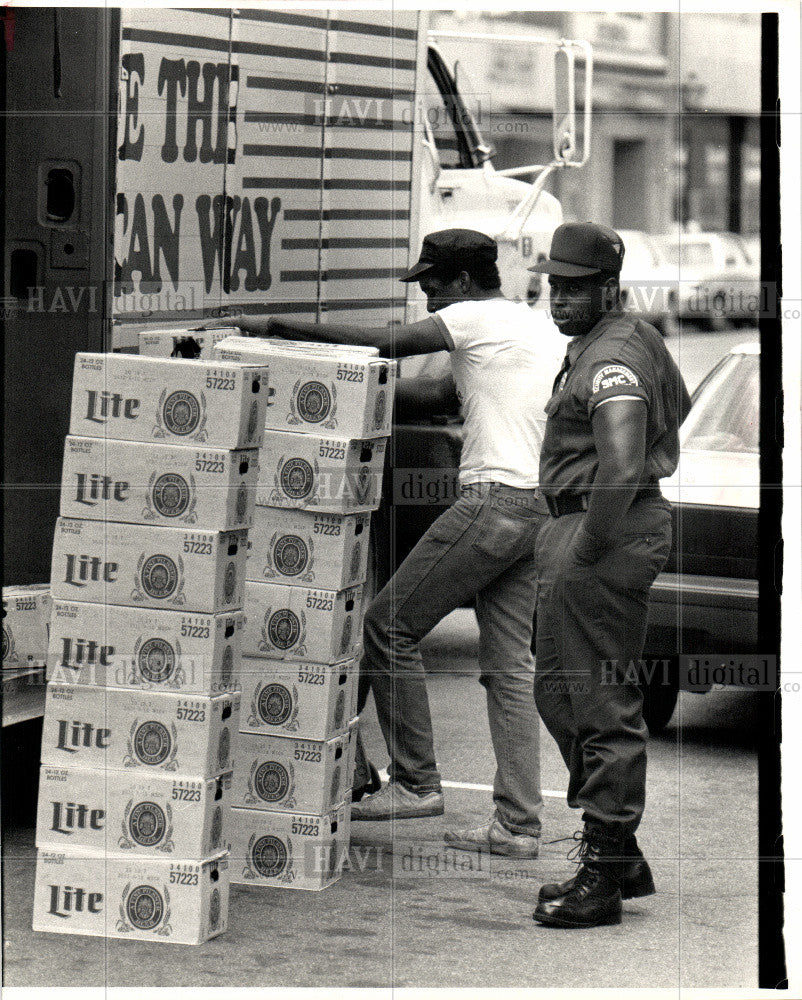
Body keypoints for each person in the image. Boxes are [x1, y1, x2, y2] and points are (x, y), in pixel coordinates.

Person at [233, 228, 565, 857]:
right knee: (508, 670)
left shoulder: (473, 316)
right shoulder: (528, 326)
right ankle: (518, 824)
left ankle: (415, 782)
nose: (428, 298)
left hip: (495, 501)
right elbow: (434, 393)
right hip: (537, 508)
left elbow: (386, 342)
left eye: (433, 283)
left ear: (464, 282)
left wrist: (276, 325)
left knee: (387, 624)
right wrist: (335, 398)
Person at [527, 222, 691, 928]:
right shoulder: (618, 339)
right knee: (558, 691)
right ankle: (617, 846)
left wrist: (588, 546)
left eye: (574, 287)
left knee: (599, 702)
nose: (558, 299)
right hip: (585, 525)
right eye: (552, 285)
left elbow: (622, 464)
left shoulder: (615, 356)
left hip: (602, 526)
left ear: (609, 287)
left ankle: (603, 872)